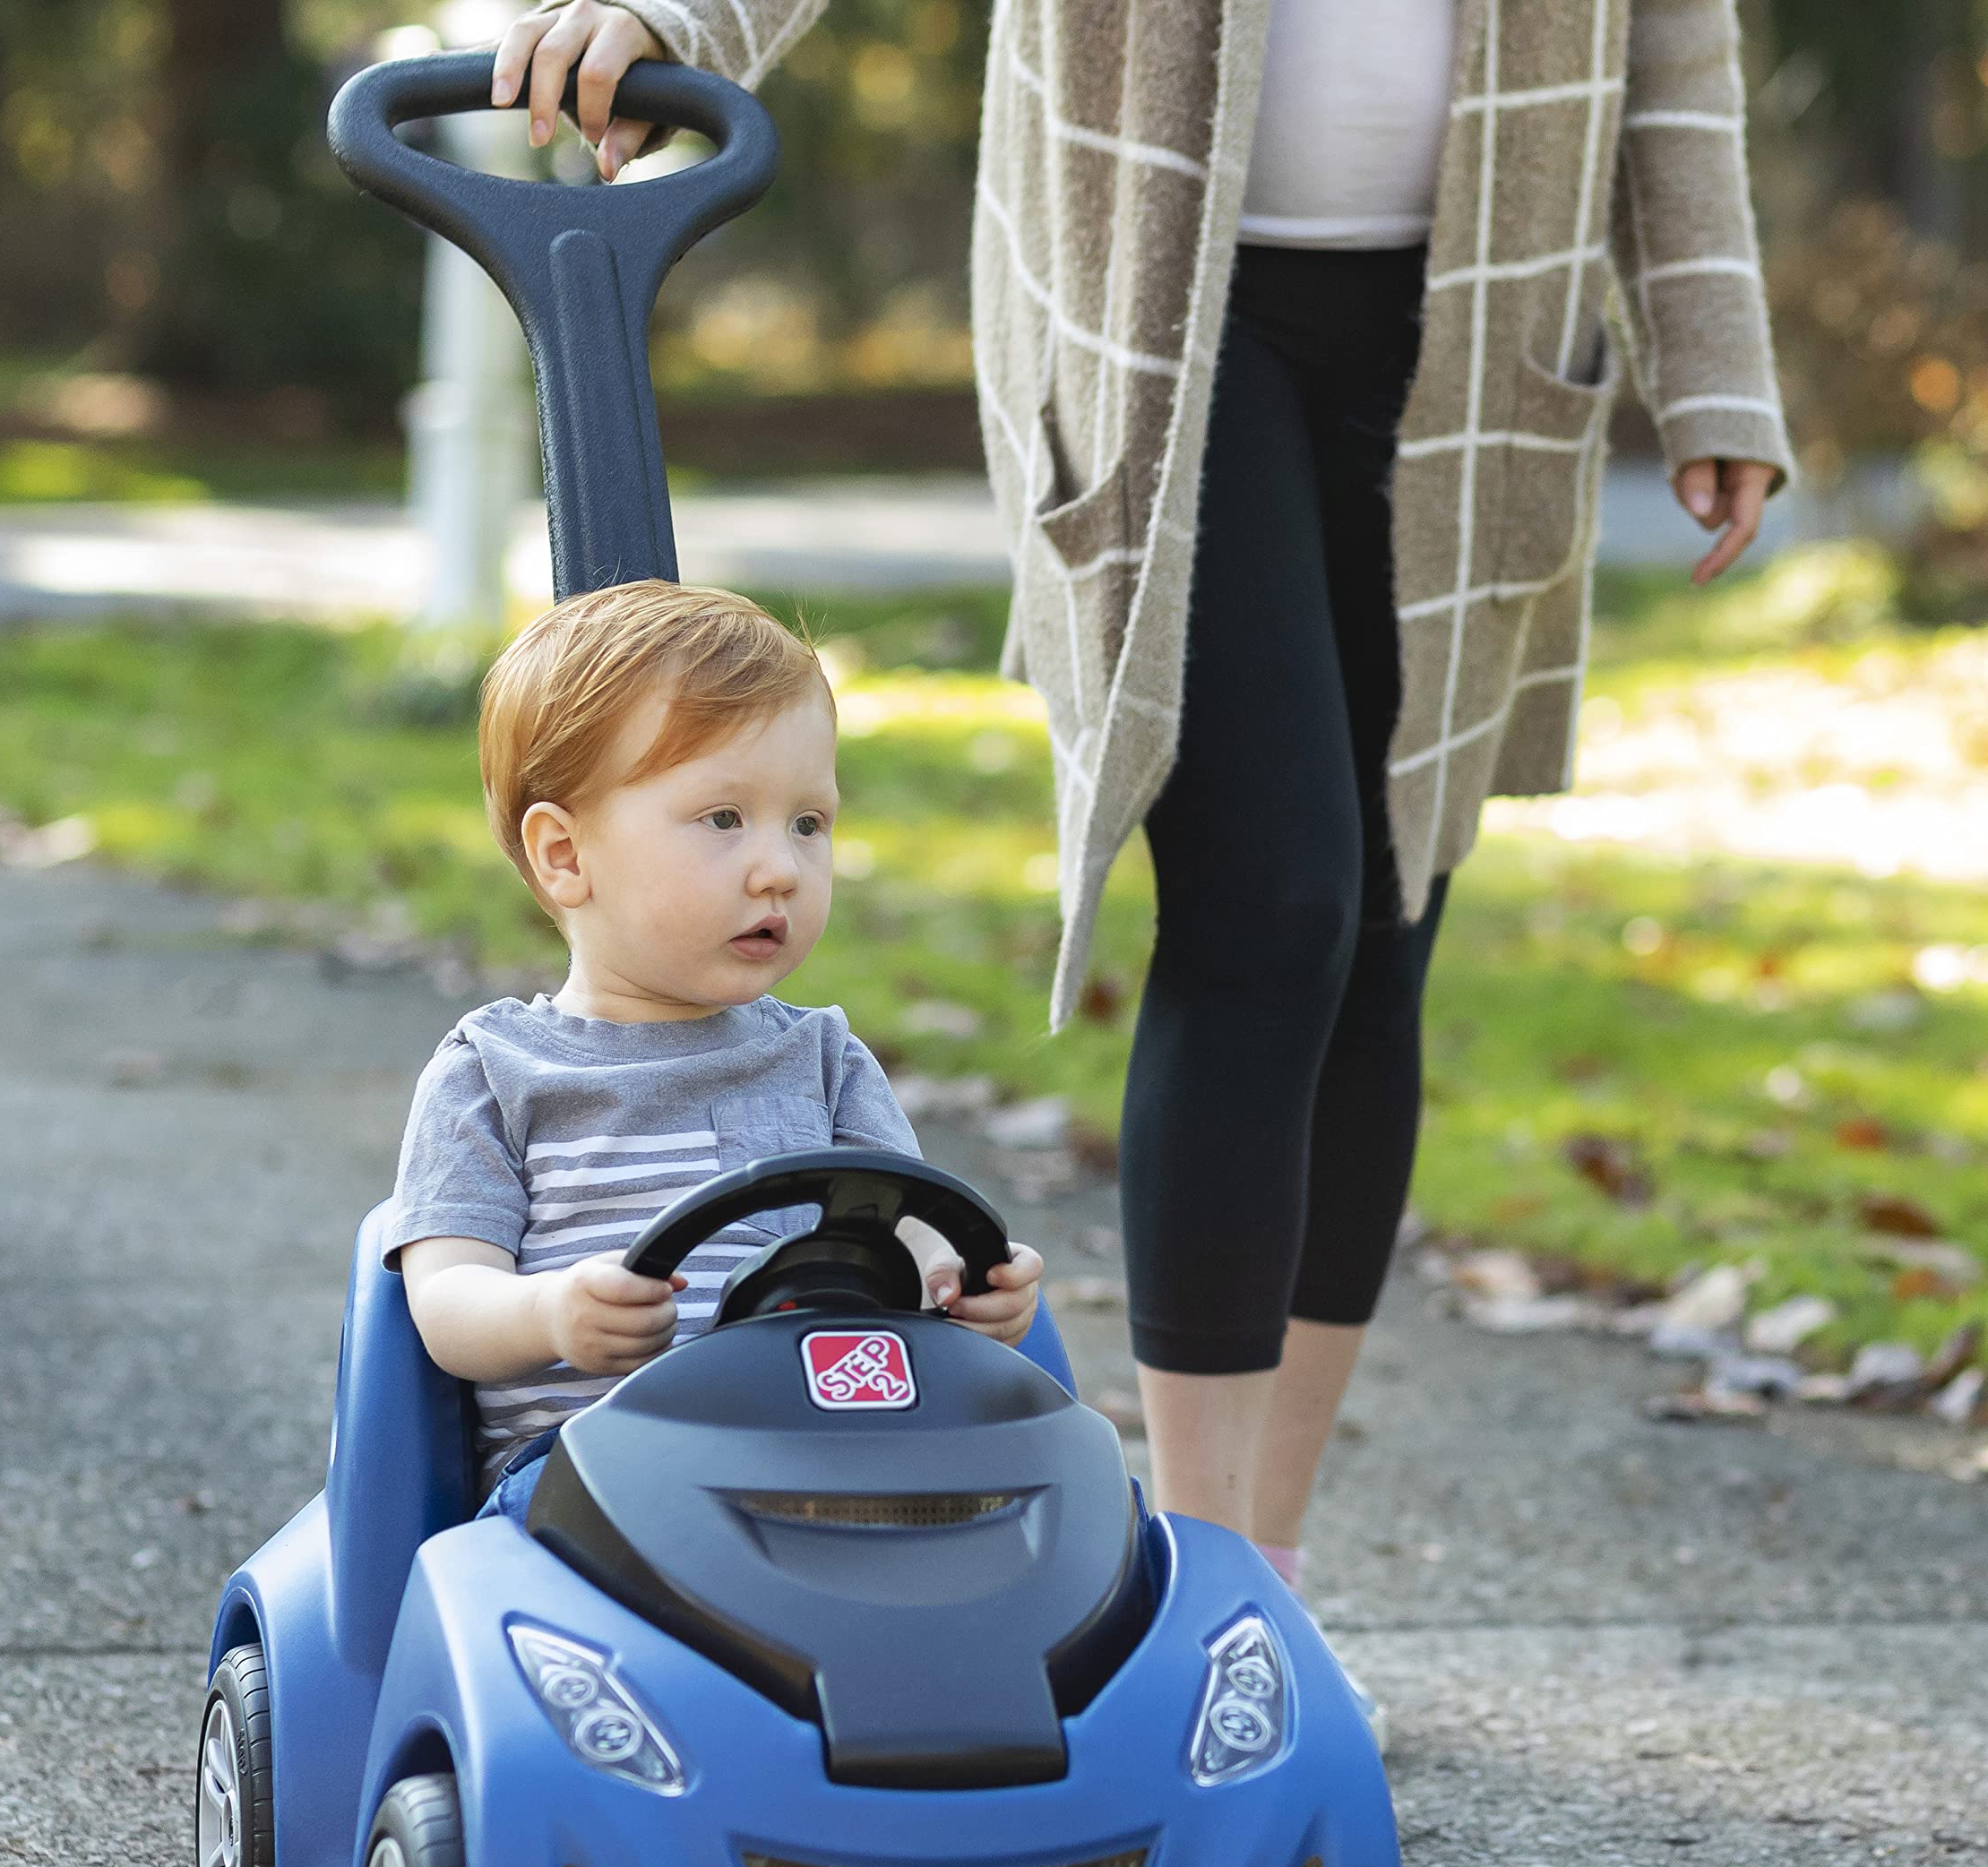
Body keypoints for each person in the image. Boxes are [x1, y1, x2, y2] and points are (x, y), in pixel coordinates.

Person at [486, 0, 1797, 1741]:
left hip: (1484, 322)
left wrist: (1708, 357)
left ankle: (1268, 1558)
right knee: (1274, 906)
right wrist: (676, 15)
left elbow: (1673, 54)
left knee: (1384, 918)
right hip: (1162, 308)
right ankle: (1194, 1569)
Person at [385, 580, 1044, 1527]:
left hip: (836, 1455)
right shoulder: (494, 1072)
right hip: (593, 1486)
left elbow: (916, 1225)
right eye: (724, 819)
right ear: (565, 856)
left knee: (1049, 1517)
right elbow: (445, 1300)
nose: (780, 866)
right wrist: (552, 1314)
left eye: (808, 823)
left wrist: (970, 1283)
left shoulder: (821, 1057)